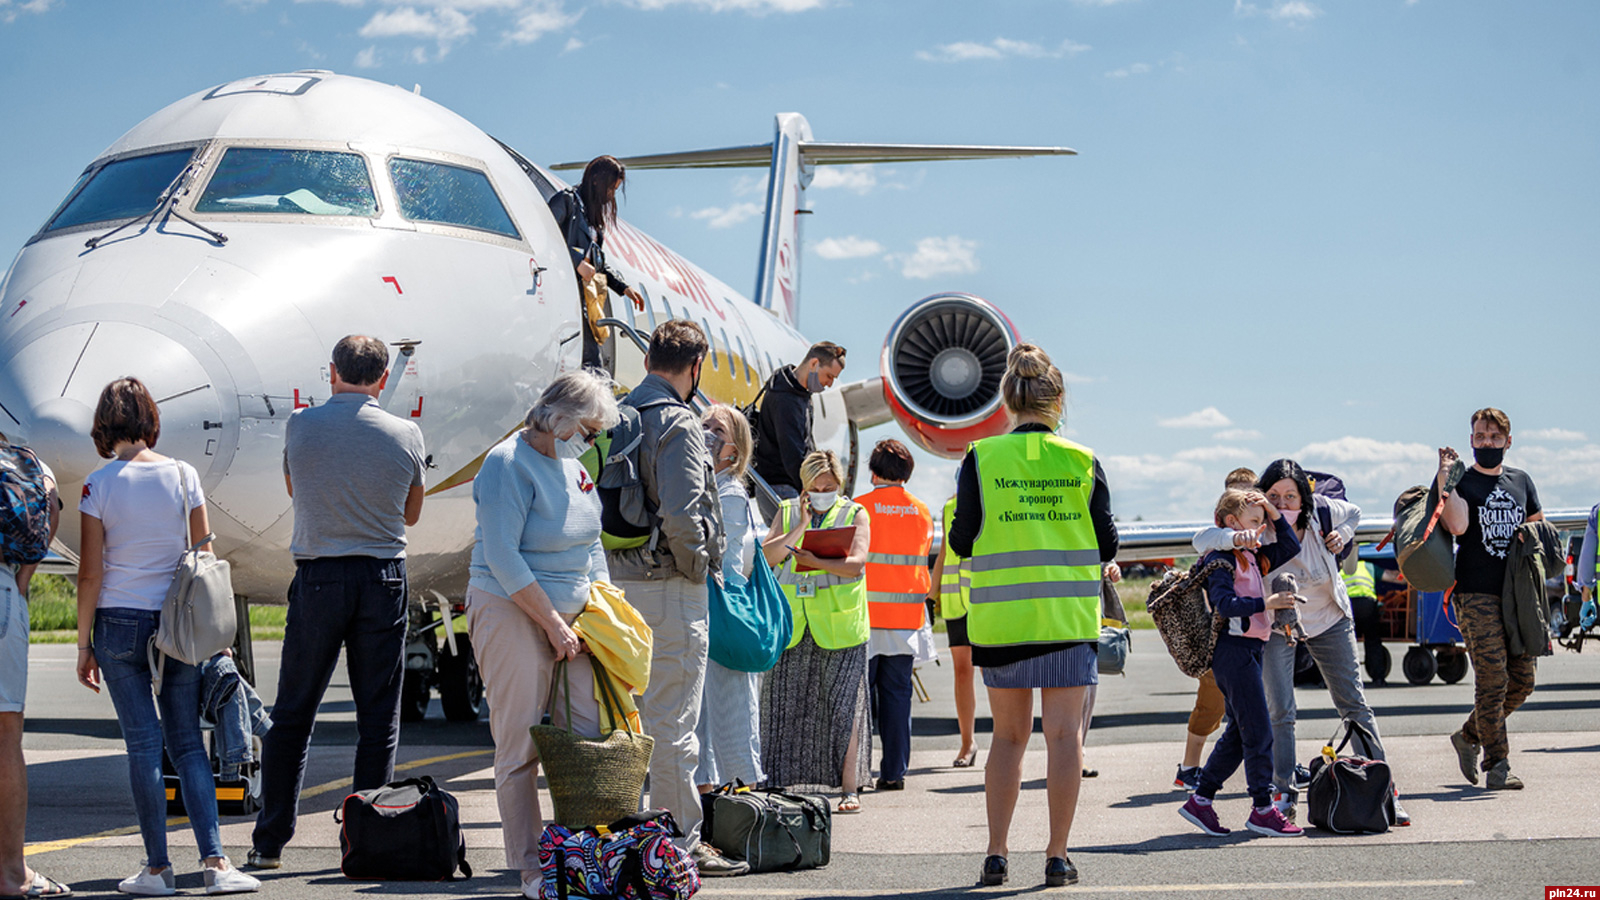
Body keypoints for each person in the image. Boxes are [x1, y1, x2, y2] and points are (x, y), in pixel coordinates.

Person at [74, 378, 261, 895]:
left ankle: (157, 869)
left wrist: (83, 643)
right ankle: (217, 864)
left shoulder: (97, 484)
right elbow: (202, 554)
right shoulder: (185, 474)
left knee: (142, 746)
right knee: (187, 744)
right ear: (151, 418)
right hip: (179, 624)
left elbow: (91, 573)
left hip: (118, 622)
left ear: (105, 423)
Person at [251, 336, 426, 869]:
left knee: (293, 713)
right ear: (382, 379)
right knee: (377, 717)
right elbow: (412, 514)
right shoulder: (406, 433)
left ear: (333, 372)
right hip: (382, 577)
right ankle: (366, 840)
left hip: (319, 575)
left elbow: (293, 487)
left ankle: (270, 843)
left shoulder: (301, 425)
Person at [947, 344, 1119, 888]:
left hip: (1003, 621)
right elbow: (1108, 543)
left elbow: (962, 537)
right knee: (1065, 738)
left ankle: (996, 853)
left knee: (1007, 738)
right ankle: (1056, 856)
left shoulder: (980, 457)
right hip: (1066, 620)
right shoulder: (1083, 460)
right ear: (1058, 400)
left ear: (1007, 400)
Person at [464, 371, 619, 898]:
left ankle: (580, 853)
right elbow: (503, 556)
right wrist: (552, 622)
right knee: (520, 741)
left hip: (573, 619)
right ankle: (531, 867)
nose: (593, 441)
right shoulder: (506, 464)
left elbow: (592, 545)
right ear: (560, 419)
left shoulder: (574, 468)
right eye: (590, 430)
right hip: (511, 608)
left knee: (590, 735)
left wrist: (603, 609)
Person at [1195, 458, 1407, 825]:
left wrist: (1345, 533)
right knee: (1280, 711)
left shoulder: (1322, 511)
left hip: (1329, 617)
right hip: (1278, 625)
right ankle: (1283, 794)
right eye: (1273, 496)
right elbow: (1202, 539)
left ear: (1304, 497)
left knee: (1353, 704)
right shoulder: (1255, 525)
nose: (1282, 504)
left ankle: (1383, 790)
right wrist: (1237, 536)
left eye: (1291, 496)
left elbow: (1354, 512)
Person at [605, 320, 735, 875]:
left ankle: (628, 835)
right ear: (695, 367)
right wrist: (696, 569)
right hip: (668, 588)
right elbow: (683, 516)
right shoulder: (677, 423)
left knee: (626, 722)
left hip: (618, 586)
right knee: (674, 724)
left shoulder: (617, 415)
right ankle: (679, 842)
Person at [1178, 490, 1303, 839]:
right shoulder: (1222, 559)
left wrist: (1268, 509)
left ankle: (1201, 800)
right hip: (1232, 651)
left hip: (1250, 649)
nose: (1261, 528)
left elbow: (1290, 545)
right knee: (1259, 731)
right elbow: (1224, 605)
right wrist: (1268, 602)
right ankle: (1262, 809)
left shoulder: (1253, 555)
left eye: (1262, 521)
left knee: (1238, 732)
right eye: (1253, 521)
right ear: (1232, 523)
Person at [759, 449, 872, 813]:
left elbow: (855, 565)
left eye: (829, 486)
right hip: (793, 624)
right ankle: (781, 783)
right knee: (783, 705)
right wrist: (802, 525)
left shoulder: (855, 513)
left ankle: (849, 788)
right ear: (804, 486)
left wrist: (817, 561)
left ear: (839, 484)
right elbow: (768, 556)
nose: (823, 492)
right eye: (816, 487)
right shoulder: (789, 510)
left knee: (844, 708)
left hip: (840, 627)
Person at [1440, 407, 1542, 790]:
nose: (1487, 443)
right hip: (1475, 592)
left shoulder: (1521, 481)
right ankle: (1498, 765)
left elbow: (1539, 526)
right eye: (1481, 438)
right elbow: (1458, 525)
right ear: (1471, 441)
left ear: (1508, 441)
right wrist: (1446, 478)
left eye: (1495, 438)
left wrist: (1528, 536)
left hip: (1516, 595)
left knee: (1523, 680)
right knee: (1493, 679)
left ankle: (1468, 736)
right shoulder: (1464, 481)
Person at [0, 434, 67, 899]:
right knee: (6, 738)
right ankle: (11, 874)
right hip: (4, 590)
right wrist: (22, 580)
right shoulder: (25, 460)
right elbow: (52, 505)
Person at [695, 405, 765, 800]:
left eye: (717, 430)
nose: (707, 434)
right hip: (705, 612)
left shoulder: (731, 494)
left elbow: (718, 554)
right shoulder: (703, 486)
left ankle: (743, 807)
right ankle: (708, 812)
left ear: (734, 451)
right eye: (703, 425)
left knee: (731, 715)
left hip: (722, 613)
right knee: (703, 719)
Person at [855, 439, 933, 792]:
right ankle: (894, 772)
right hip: (905, 620)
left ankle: (857, 771)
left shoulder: (859, 507)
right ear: (906, 473)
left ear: (873, 473)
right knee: (898, 698)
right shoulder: (921, 511)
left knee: (860, 698)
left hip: (865, 618)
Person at [1174, 466, 1256, 792]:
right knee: (1211, 705)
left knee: (1266, 706)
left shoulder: (1262, 535)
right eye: (1235, 500)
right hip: (1219, 639)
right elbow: (1202, 539)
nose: (1243, 506)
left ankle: (1283, 766)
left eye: (1251, 496)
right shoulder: (1215, 539)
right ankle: (1189, 767)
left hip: (1254, 637)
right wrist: (1236, 537)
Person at [546, 155, 646, 371]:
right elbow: (546, 235)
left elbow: (598, 262)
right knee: (592, 365)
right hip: (565, 296)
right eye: (610, 188)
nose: (611, 195)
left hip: (586, 298)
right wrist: (576, 262)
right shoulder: (566, 201)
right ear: (595, 181)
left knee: (593, 363)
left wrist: (622, 287)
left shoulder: (592, 218)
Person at [751, 341, 846, 499]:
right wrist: (814, 491)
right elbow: (793, 455)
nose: (830, 384)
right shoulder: (786, 399)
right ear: (814, 364)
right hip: (783, 488)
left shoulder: (796, 393)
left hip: (783, 486)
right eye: (829, 376)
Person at [931, 472, 978, 769]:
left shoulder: (996, 503)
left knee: (993, 674)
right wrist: (930, 595)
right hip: (955, 602)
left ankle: (1004, 742)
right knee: (962, 673)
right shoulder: (950, 508)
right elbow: (943, 555)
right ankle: (967, 742)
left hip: (986, 599)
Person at [1343, 557, 1386, 685]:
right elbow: (1392, 577)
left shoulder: (1340, 567)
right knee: (1372, 641)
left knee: (1345, 643)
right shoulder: (1369, 566)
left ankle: (1346, 678)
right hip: (1367, 606)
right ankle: (1378, 678)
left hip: (1348, 606)